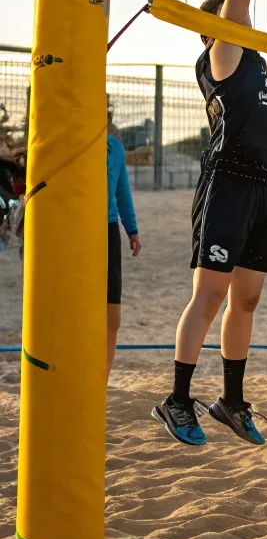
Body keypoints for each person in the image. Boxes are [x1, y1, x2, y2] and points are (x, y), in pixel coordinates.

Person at [152, 0, 267, 448]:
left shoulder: (256, 62)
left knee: (246, 299)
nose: (244, 18)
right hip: (225, 181)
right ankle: (177, 400)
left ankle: (229, 400)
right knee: (209, 296)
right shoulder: (220, 56)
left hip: (260, 185)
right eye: (233, 15)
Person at [106, 127, 141, 379]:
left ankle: (103, 376)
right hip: (74, 231)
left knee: (112, 308)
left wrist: (132, 230)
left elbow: (122, 190)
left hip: (107, 231)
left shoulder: (114, 148)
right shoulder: (69, 143)